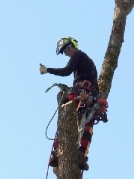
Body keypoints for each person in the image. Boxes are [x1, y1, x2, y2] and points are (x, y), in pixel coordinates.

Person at [40, 37, 99, 170]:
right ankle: (81, 154)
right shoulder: (87, 60)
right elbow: (95, 84)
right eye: (65, 51)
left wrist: (48, 70)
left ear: (74, 45)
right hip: (89, 94)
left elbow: (66, 71)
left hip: (80, 91)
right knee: (86, 124)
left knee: (66, 118)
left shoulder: (78, 55)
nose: (68, 52)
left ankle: (58, 151)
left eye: (68, 48)